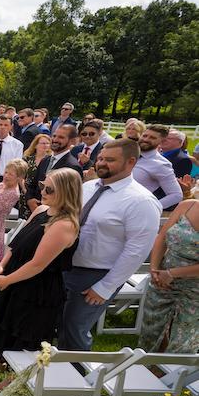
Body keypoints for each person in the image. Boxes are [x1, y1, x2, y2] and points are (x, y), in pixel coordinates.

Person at [58, 139, 162, 351]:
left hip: (96, 275)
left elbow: (137, 250)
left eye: (110, 160)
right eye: (101, 158)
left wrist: (106, 287)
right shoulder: (86, 187)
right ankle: (51, 372)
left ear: (131, 162)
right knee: (57, 320)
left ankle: (76, 376)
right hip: (64, 265)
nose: (102, 163)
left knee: (74, 327)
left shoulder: (142, 201)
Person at [0, 168, 82, 372]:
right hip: (15, 276)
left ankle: (15, 378)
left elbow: (38, 264)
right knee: (3, 318)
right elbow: (16, 244)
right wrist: (2, 267)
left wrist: (7, 280)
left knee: (24, 330)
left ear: (66, 192)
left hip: (38, 287)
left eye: (49, 189)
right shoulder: (42, 210)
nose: (42, 191)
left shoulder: (64, 224)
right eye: (43, 186)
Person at [138, 199, 198, 353]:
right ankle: (146, 370)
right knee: (151, 331)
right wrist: (154, 269)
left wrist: (172, 274)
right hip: (162, 281)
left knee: (183, 343)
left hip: (195, 290)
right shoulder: (188, 205)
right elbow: (162, 237)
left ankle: (174, 375)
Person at [25, 124, 82, 214]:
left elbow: (68, 198)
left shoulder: (72, 166)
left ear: (72, 141)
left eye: (61, 137)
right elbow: (33, 184)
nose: (55, 140)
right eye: (54, 136)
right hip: (34, 212)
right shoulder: (45, 160)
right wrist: (30, 200)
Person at [134, 124, 183, 211]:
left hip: (133, 209)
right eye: (145, 135)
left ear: (162, 141)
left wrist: (150, 209)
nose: (146, 139)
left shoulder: (161, 164)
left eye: (152, 138)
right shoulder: (128, 154)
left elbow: (176, 195)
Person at [19, 134, 52, 220]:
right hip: (26, 193)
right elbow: (21, 177)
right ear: (36, 145)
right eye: (42, 143)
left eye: (47, 143)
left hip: (42, 196)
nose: (45, 145)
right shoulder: (27, 159)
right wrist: (26, 191)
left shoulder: (51, 160)